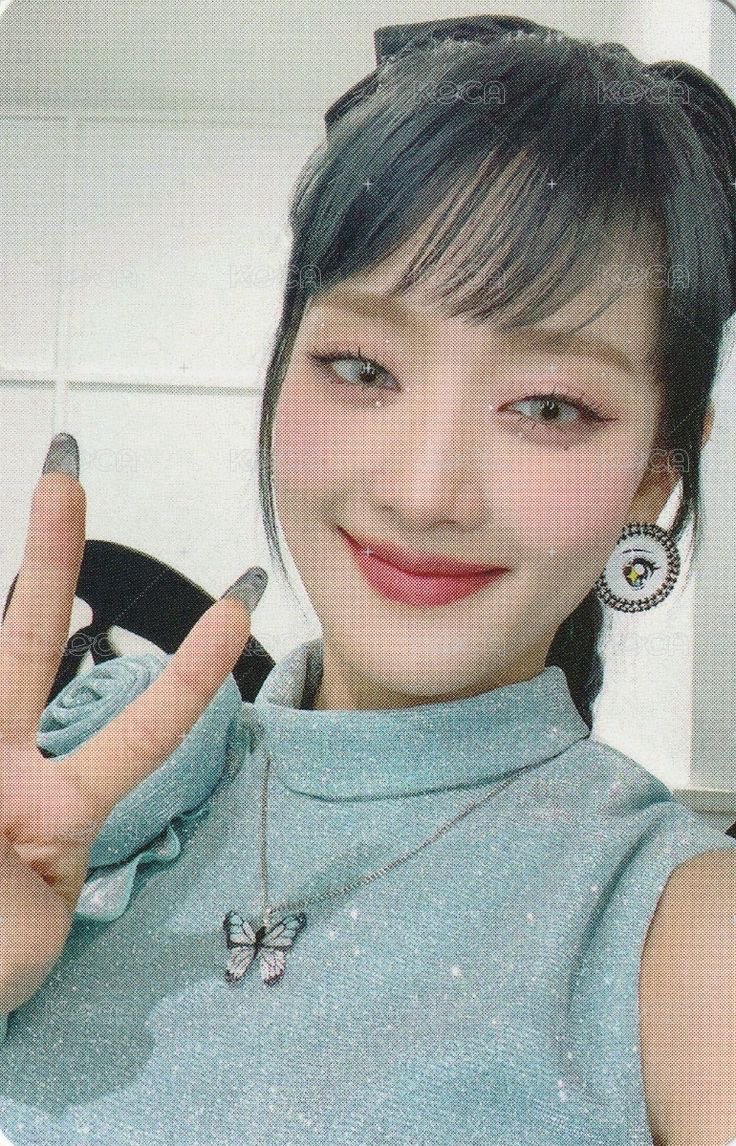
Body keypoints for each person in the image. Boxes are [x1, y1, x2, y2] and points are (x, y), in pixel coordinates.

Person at [0, 12, 735, 1146]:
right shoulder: (82, 786)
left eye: (548, 407)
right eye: (362, 367)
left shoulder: (682, 930)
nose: (426, 492)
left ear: (652, 478)